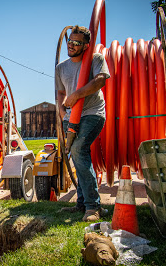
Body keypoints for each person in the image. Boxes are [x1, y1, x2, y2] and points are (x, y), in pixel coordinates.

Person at [55, 25, 109, 222]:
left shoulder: (96, 59)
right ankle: (82, 203)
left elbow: (100, 80)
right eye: (70, 41)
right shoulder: (61, 68)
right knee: (77, 157)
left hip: (93, 113)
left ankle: (93, 206)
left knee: (78, 150)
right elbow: (60, 93)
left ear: (86, 46)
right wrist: (61, 111)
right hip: (71, 117)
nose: (71, 45)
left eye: (77, 43)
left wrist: (76, 95)